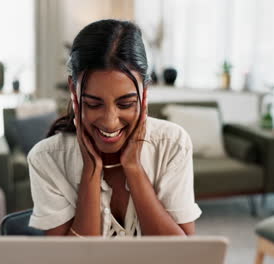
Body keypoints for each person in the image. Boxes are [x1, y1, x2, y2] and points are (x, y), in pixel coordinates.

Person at [28, 19, 201, 237]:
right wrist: (91, 172)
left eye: (125, 104)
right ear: (74, 90)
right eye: (93, 104)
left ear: (144, 93)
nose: (110, 121)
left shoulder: (172, 144)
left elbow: (183, 257)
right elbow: (67, 260)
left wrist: (134, 168)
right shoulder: (47, 159)